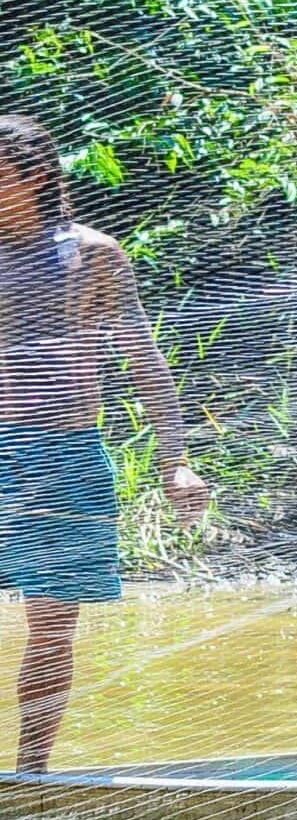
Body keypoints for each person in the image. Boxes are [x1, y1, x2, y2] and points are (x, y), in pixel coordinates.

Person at [0, 115, 209, 773]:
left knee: (53, 629)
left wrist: (176, 463)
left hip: (63, 458)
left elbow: (145, 362)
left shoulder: (91, 255)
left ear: (34, 177)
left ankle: (31, 779)